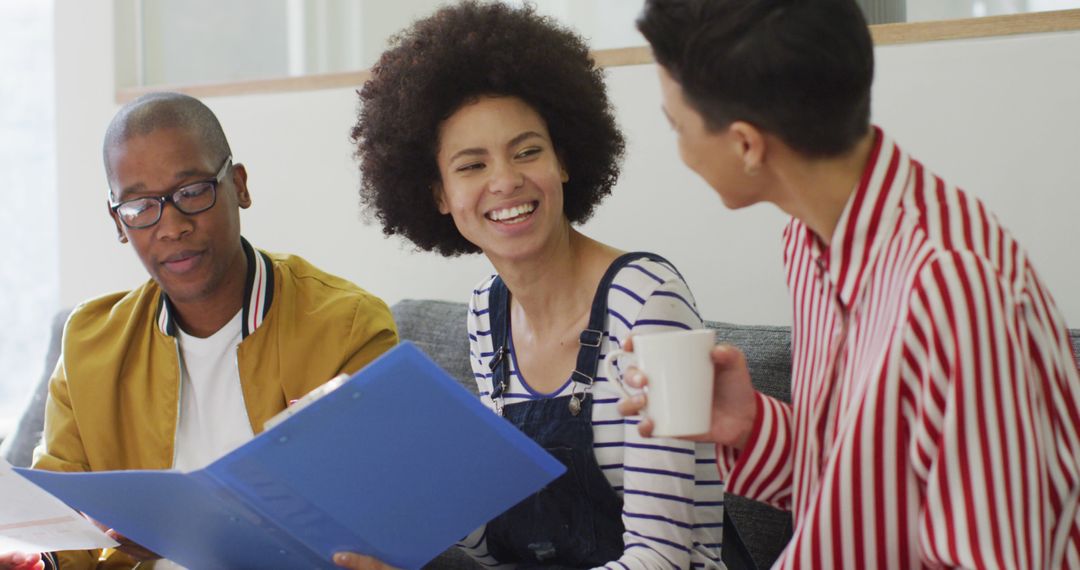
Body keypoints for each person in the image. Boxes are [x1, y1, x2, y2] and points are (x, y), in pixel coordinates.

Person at [616, 0, 1080, 568]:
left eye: (676, 125)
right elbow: (864, 495)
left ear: (745, 144)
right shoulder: (809, 242)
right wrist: (750, 424)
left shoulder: (954, 284)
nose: (679, 150)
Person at [345, 2, 728, 568]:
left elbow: (664, 558)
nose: (505, 181)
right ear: (439, 196)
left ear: (565, 161)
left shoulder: (647, 301)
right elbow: (490, 543)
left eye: (527, 151)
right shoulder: (485, 314)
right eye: (471, 166)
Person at [1, 92, 398, 570]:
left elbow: (375, 520)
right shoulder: (89, 343)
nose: (171, 226)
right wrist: (65, 552)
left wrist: (190, 535)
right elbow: (60, 529)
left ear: (239, 185)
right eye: (140, 205)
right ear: (119, 223)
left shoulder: (347, 327)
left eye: (191, 193)